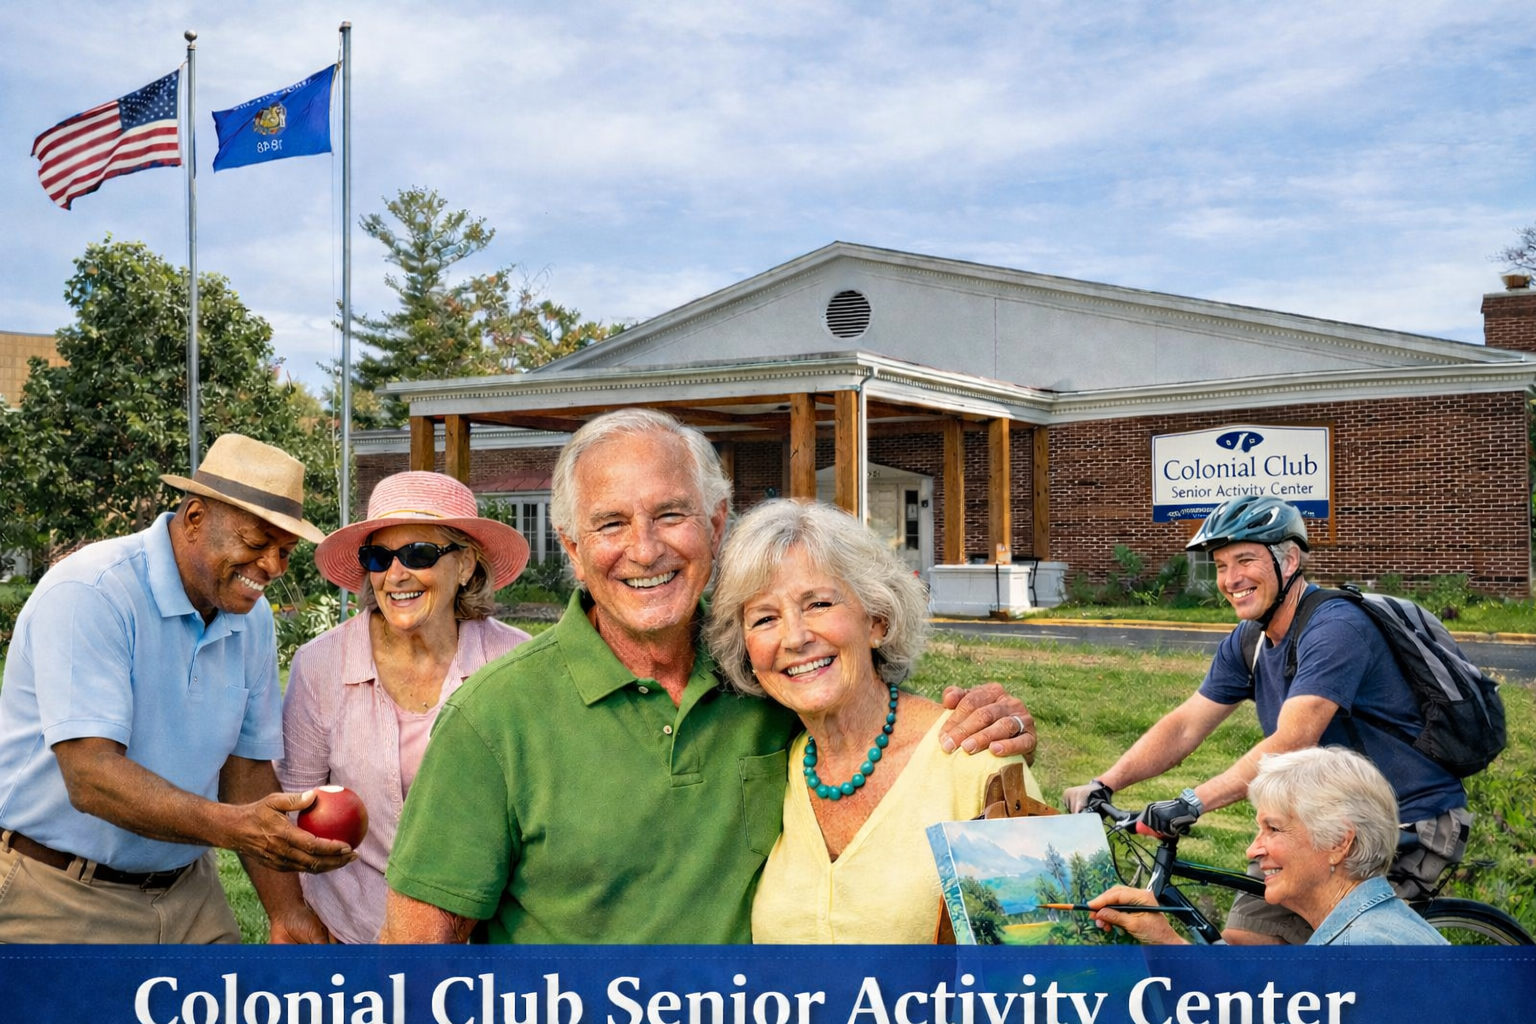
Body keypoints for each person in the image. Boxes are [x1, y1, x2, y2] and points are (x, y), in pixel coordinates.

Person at [380, 407, 1038, 943]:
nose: (645, 549)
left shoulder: (761, 685)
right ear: (575, 552)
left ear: (716, 524)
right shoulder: (493, 719)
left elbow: (1063, 969)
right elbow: (414, 960)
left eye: (670, 514)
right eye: (611, 523)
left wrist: (986, 723)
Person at [1064, 495, 1470, 945]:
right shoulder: (1250, 640)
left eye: (1245, 561)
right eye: (1220, 566)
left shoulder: (1336, 627)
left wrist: (1191, 802)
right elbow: (1186, 724)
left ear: (1289, 560)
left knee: (1342, 955)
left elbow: (1294, 739)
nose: (1230, 579)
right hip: (1313, 819)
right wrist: (1106, 783)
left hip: (1403, 821)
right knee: (1245, 943)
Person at [0, 434, 354, 944]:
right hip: (55, 893)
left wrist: (287, 911)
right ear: (194, 519)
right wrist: (231, 827)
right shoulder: (91, 592)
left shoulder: (250, 620)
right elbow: (90, 775)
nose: (273, 567)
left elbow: (246, 770)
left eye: (284, 551)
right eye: (257, 544)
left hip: (188, 892)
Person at [704, 500, 1040, 943]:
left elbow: (1057, 974)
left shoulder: (974, 758)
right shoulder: (776, 768)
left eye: (819, 603)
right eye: (765, 618)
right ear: (746, 649)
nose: (795, 637)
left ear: (877, 621)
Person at [277, 471, 532, 943]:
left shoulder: (517, 664)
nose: (395, 575)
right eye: (379, 557)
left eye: (419, 554)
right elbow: (294, 812)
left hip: (479, 943)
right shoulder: (321, 666)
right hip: (348, 936)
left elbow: (538, 816)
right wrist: (296, 918)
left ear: (466, 566)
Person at [1088, 746, 1448, 945]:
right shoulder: (1373, 927)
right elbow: (1258, 1002)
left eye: (1273, 828)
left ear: (1340, 841)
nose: (1252, 850)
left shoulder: (1358, 951)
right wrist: (1162, 937)